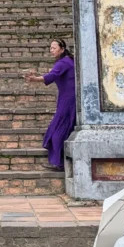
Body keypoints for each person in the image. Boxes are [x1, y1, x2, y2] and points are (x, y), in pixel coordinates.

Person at [24, 39, 76, 171]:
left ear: (62, 49)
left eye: (54, 48)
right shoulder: (68, 61)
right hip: (68, 99)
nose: (51, 50)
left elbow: (52, 75)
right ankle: (60, 162)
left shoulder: (63, 63)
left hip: (68, 101)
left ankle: (59, 163)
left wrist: (35, 79)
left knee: (57, 131)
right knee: (61, 129)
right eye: (50, 48)